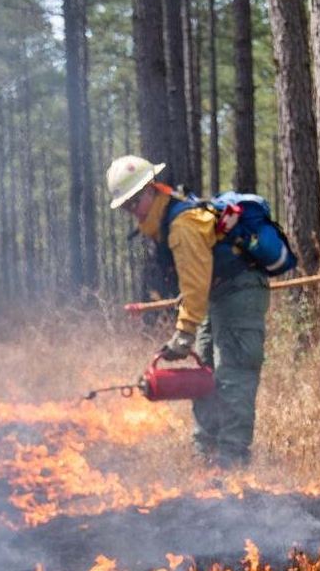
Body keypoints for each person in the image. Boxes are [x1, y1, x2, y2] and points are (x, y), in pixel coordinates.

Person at [106, 155, 270, 468]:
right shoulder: (166, 220)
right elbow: (196, 276)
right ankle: (204, 458)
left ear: (151, 190)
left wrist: (184, 334)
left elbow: (195, 283)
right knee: (203, 375)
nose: (132, 211)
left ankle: (232, 464)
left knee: (232, 375)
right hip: (216, 291)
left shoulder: (180, 225)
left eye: (134, 202)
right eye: (126, 207)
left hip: (240, 290)